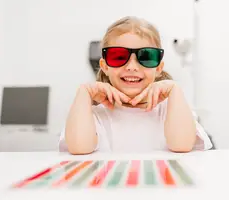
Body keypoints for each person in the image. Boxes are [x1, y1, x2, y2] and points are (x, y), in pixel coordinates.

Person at [59, 16, 213, 154]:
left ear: (158, 68)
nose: (132, 66)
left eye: (145, 56)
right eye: (118, 56)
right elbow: (79, 149)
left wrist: (175, 90)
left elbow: (182, 146)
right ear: (105, 67)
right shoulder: (92, 114)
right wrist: (83, 91)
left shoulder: (171, 109)